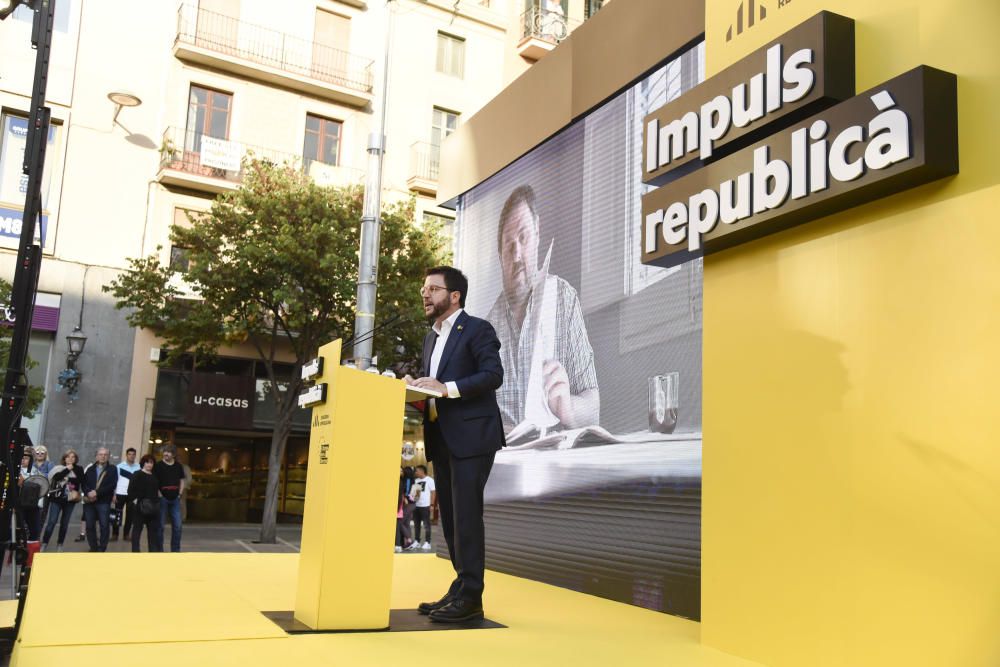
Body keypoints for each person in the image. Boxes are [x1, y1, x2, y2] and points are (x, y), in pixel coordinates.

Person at [405, 266, 505, 623]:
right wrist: (413, 387)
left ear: (455, 295)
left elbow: (493, 375)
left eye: (433, 288)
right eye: (424, 288)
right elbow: (431, 387)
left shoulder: (478, 329)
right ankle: (461, 586)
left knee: (466, 517)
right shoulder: (430, 337)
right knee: (449, 519)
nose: (425, 294)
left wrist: (447, 388)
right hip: (440, 436)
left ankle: (472, 596)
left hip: (473, 436)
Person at [486, 185, 600, 434]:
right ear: (499, 255)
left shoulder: (563, 298)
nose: (516, 254)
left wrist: (567, 407)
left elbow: (594, 410)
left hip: (559, 465)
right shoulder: (485, 330)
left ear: (537, 234)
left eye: (524, 237)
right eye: (508, 244)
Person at [41, 449, 84, 552]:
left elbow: (80, 480)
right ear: (64, 458)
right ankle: (44, 543)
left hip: (70, 500)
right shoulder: (58, 468)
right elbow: (56, 478)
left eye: (73, 457)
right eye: (68, 457)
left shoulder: (79, 469)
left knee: (65, 523)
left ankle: (60, 544)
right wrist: (67, 469)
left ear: (75, 459)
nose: (70, 459)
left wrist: (67, 478)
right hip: (56, 499)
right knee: (52, 522)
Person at [82, 447, 118, 552]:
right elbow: (84, 483)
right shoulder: (90, 469)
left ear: (108, 456)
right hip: (90, 501)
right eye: (101, 454)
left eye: (105, 454)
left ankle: (102, 549)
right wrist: (88, 492)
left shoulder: (112, 469)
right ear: (96, 456)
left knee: (104, 525)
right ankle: (93, 547)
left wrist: (96, 492)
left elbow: (112, 484)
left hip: (103, 502)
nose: (103, 456)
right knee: (89, 525)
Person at [127, 454, 163, 552]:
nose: (149, 465)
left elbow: (156, 490)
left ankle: (152, 553)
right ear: (143, 463)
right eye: (147, 462)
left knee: (152, 533)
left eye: (151, 463)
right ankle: (136, 552)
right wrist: (137, 502)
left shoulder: (154, 476)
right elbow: (130, 491)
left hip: (153, 508)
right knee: (137, 531)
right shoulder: (137, 474)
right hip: (140, 508)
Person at [154, 444, 185, 552]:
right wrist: (159, 494)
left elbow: (182, 480)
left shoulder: (178, 466)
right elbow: (155, 482)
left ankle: (175, 551)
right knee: (160, 527)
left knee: (178, 526)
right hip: (162, 499)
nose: (165, 454)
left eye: (168, 452)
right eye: (165, 451)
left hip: (175, 499)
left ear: (174, 455)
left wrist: (180, 494)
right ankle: (159, 551)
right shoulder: (158, 466)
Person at [113, 447, 139, 542]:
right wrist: (114, 494)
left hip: (132, 495)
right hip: (120, 493)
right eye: (130, 454)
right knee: (117, 514)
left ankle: (126, 534)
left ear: (135, 455)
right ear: (126, 455)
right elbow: (115, 481)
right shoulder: (119, 466)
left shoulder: (138, 467)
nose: (131, 456)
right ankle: (115, 534)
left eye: (133, 454)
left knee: (130, 515)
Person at [17, 448, 42, 540]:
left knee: (35, 530)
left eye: (26, 458)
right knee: (17, 528)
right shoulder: (15, 470)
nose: (23, 460)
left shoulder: (36, 471)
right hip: (18, 504)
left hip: (32, 505)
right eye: (22, 457)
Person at [411, 465, 436, 550]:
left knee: (426, 525)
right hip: (416, 505)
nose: (416, 472)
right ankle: (417, 541)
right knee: (416, 525)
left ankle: (427, 542)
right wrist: (414, 496)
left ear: (422, 471)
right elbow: (415, 494)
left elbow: (433, 493)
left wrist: (432, 505)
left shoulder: (430, 480)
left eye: (417, 471)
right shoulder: (416, 480)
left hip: (425, 506)